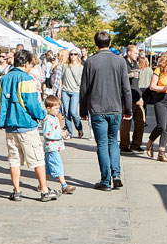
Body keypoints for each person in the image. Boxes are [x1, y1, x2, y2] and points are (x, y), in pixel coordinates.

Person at [78, 31, 132, 190]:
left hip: (97, 109)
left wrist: (82, 110)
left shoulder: (90, 62)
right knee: (113, 141)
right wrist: (127, 108)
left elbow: (84, 89)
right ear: (109, 42)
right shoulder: (119, 62)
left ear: (96, 43)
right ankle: (116, 174)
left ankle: (106, 180)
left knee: (102, 144)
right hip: (115, 108)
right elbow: (126, 89)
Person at [0, 48, 50, 200]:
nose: (32, 67)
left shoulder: (4, 79)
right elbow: (32, 104)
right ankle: (44, 190)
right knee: (37, 159)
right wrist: (42, 115)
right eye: (31, 65)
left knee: (14, 160)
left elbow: (1, 100)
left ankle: (16, 190)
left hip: (10, 125)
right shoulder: (27, 80)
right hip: (26, 124)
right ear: (25, 63)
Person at [40, 94, 76, 199]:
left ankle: (42, 184)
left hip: (52, 146)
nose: (58, 110)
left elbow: (54, 130)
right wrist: (61, 134)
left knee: (47, 166)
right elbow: (47, 134)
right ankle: (64, 185)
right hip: (52, 147)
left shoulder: (54, 117)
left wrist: (60, 132)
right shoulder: (48, 119)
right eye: (56, 108)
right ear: (48, 109)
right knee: (57, 165)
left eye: (58, 107)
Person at [120, 45, 145, 153]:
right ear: (129, 52)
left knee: (140, 121)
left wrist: (141, 96)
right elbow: (119, 77)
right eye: (135, 53)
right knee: (126, 122)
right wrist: (130, 75)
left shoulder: (135, 63)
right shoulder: (123, 62)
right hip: (126, 97)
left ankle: (136, 144)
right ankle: (124, 145)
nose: (137, 55)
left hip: (137, 95)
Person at [59, 49, 84, 139]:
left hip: (75, 92)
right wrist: (59, 90)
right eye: (71, 54)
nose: (73, 56)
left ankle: (79, 128)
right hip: (65, 91)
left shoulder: (81, 68)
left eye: (75, 54)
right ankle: (69, 132)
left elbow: (83, 81)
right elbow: (61, 79)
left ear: (78, 55)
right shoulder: (65, 66)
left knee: (73, 111)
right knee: (66, 112)